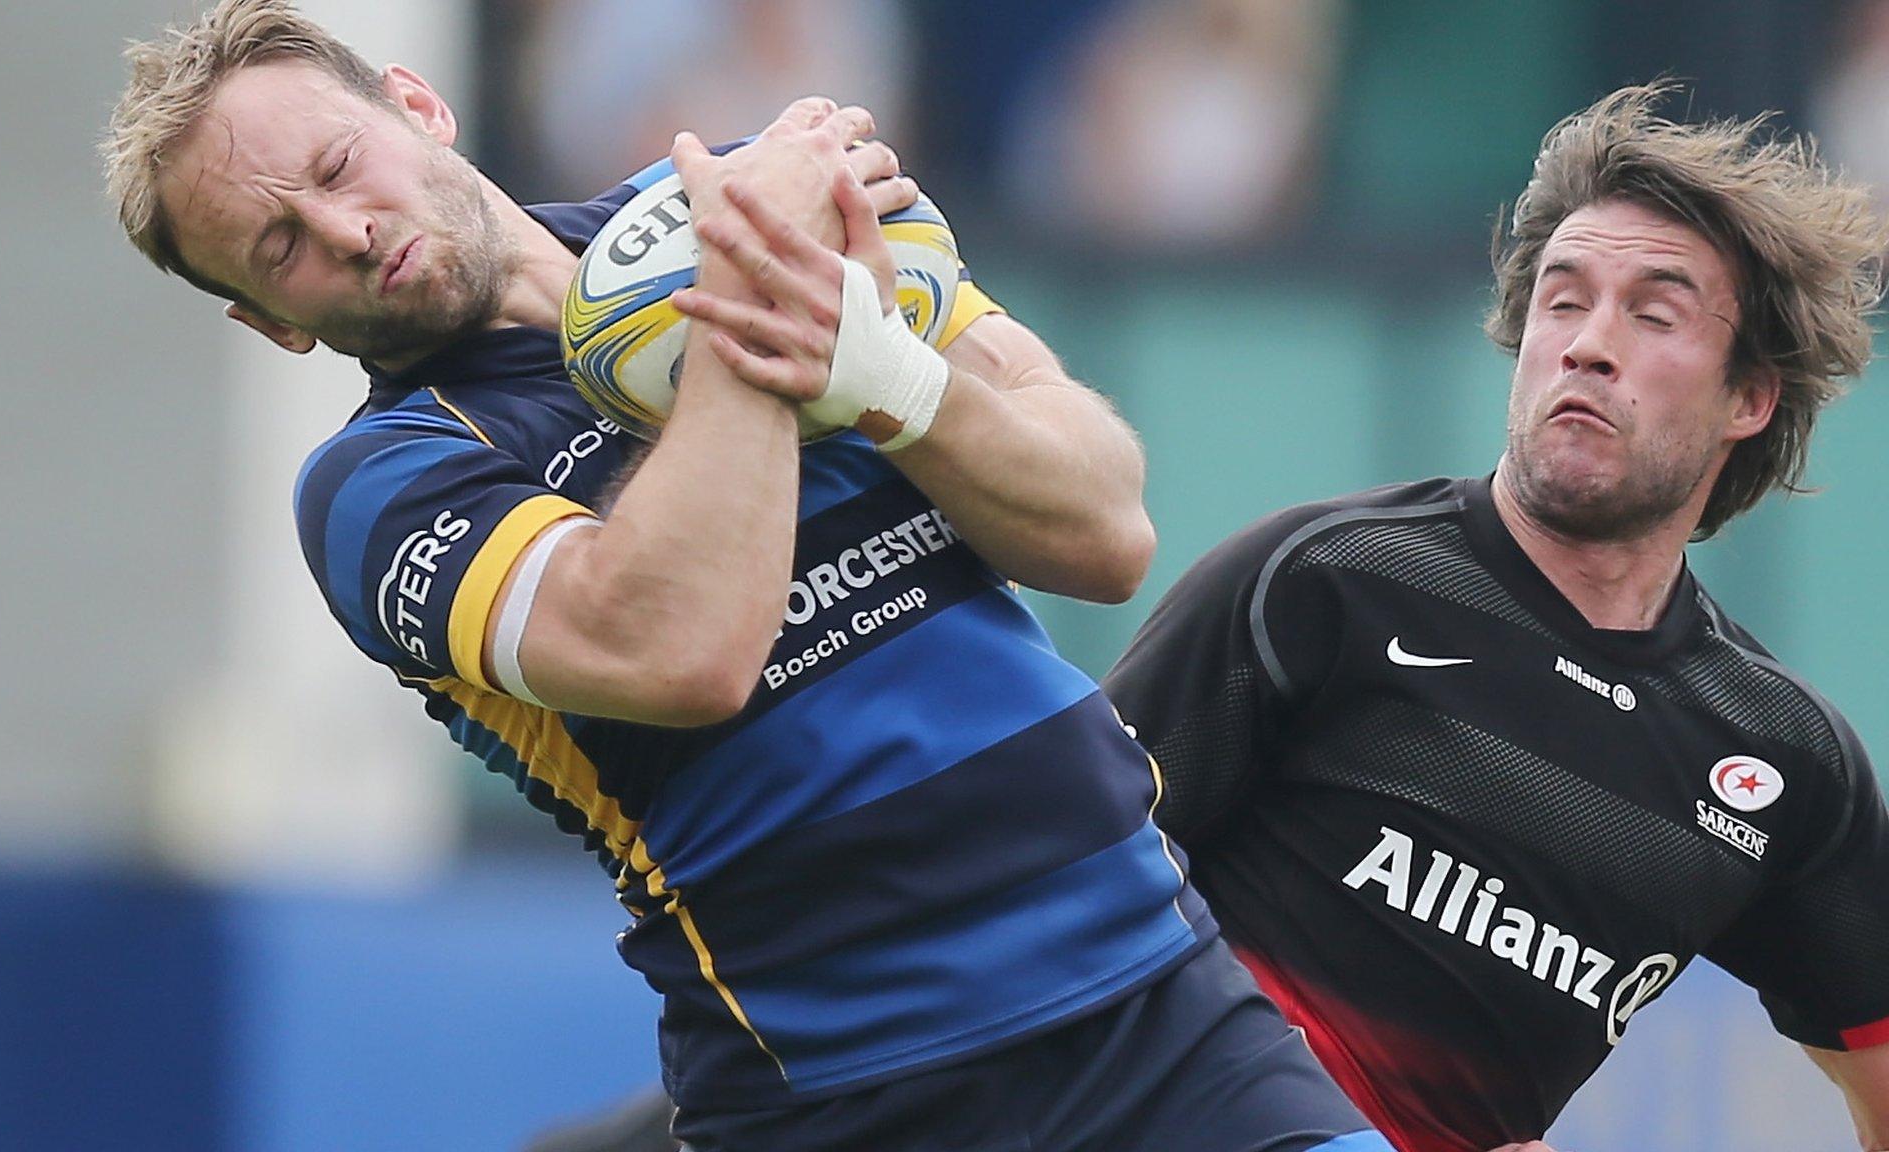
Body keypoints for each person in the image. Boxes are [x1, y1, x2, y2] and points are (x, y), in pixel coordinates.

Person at [102, 2, 1395, 1149]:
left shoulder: (745, 199)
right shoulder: (380, 486)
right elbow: (683, 647)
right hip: (858, 1084)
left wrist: (885, 374)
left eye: (337, 165)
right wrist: (755, 301)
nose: (344, 227)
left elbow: (1104, 525)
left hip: (1157, 995)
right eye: (279, 248)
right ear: (270, 321)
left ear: (418, 104)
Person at [1104, 82, 1889, 1152]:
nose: (1584, 345)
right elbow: (1055, 891)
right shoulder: (1322, 581)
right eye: (1562, 302)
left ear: (1747, 398)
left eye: (1650, 314)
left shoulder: (1783, 764)